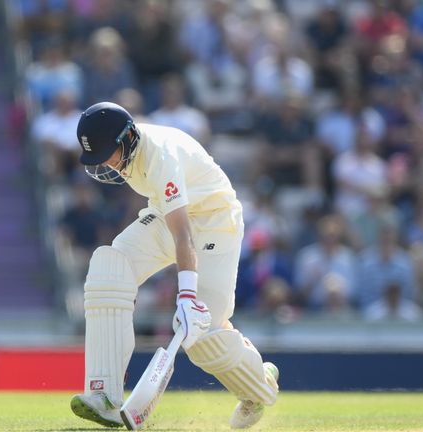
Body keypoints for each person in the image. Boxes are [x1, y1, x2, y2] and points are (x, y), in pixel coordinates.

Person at [69, 102, 279, 429]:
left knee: (204, 334)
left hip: (214, 221)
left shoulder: (159, 156)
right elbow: (173, 220)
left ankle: (260, 385)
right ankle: (104, 395)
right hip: (171, 215)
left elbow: (184, 235)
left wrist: (187, 296)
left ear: (127, 138)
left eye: (108, 153)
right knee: (110, 266)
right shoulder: (128, 150)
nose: (106, 163)